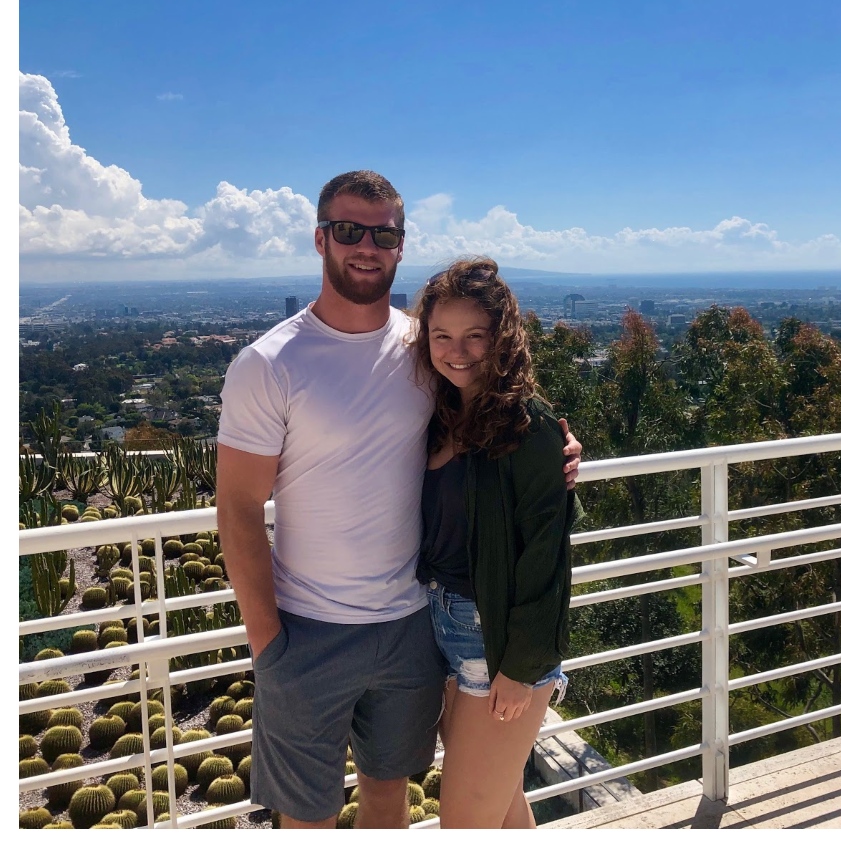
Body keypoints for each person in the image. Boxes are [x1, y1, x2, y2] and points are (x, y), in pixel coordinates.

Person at [215, 171, 579, 829]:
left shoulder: (421, 345)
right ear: (320, 237)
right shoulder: (270, 363)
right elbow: (238, 506)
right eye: (349, 230)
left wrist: (557, 440)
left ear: (401, 245)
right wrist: (267, 641)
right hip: (307, 631)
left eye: (383, 233)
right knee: (307, 819)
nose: (366, 245)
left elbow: (495, 403)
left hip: (414, 626)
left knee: (394, 799)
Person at [408, 258, 576, 828]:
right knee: (500, 805)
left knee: (463, 824)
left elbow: (546, 556)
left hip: (496, 642)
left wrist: (521, 668)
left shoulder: (526, 428)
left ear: (501, 338)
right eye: (442, 335)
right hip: (443, 626)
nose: (458, 350)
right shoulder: (438, 414)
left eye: (475, 335)